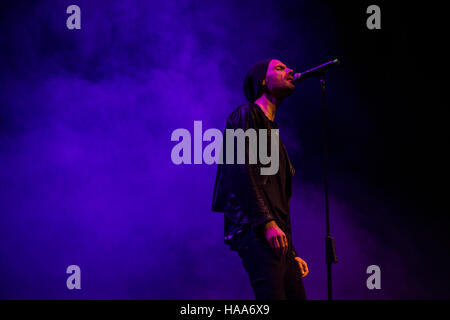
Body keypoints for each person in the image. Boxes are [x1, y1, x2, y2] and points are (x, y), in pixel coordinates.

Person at [212, 58, 309, 300]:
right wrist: (266, 223)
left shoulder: (274, 135)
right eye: (280, 68)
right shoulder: (245, 115)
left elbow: (279, 199)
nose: (290, 70)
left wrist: (293, 251)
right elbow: (241, 170)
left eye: (288, 67)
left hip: (277, 236)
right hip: (257, 229)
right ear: (262, 81)